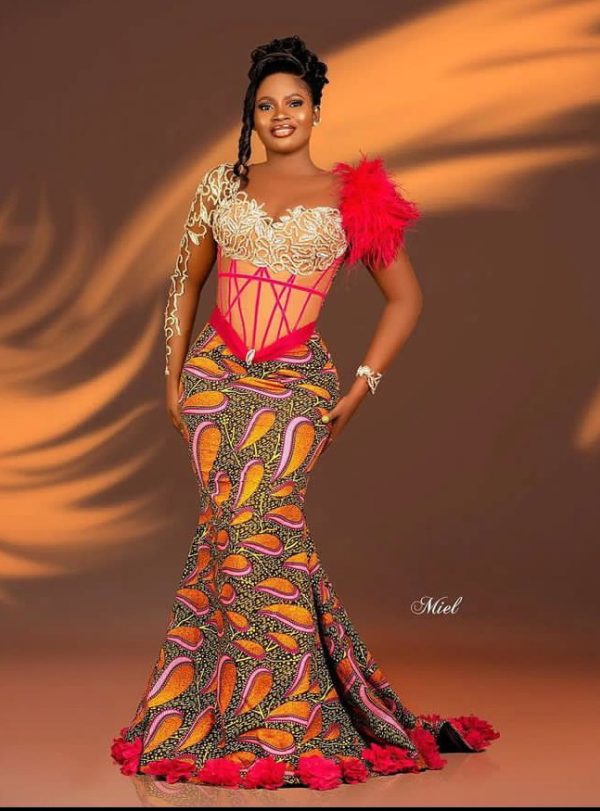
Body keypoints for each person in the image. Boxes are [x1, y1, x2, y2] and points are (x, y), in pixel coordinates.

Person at [111, 34, 499, 790]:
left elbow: (407, 298)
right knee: (232, 534)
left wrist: (362, 384)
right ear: (250, 115)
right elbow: (185, 284)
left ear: (316, 111)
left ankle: (292, 718)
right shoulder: (219, 186)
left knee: (261, 528)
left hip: (296, 384)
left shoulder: (353, 195)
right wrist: (172, 377)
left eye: (295, 102)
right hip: (216, 379)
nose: (281, 114)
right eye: (266, 105)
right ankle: (222, 707)